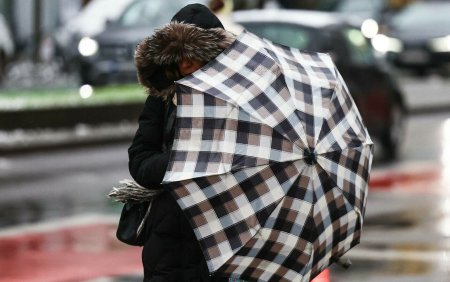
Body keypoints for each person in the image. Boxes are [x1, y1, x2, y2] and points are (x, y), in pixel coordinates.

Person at [128, 4, 236, 282]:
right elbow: (140, 162)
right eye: (181, 56)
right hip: (169, 244)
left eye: (196, 55)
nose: (187, 64)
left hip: (225, 239)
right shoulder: (162, 99)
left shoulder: (240, 103)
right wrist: (185, 159)